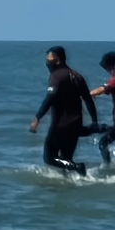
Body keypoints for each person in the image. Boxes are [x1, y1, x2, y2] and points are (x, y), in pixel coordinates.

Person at [27, 45, 97, 174]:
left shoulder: (57, 76)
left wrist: (38, 118)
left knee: (49, 158)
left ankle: (77, 167)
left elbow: (50, 98)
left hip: (60, 125)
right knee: (66, 158)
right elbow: (88, 100)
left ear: (58, 60)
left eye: (49, 60)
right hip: (76, 124)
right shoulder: (78, 76)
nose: (47, 63)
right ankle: (70, 183)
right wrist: (94, 121)